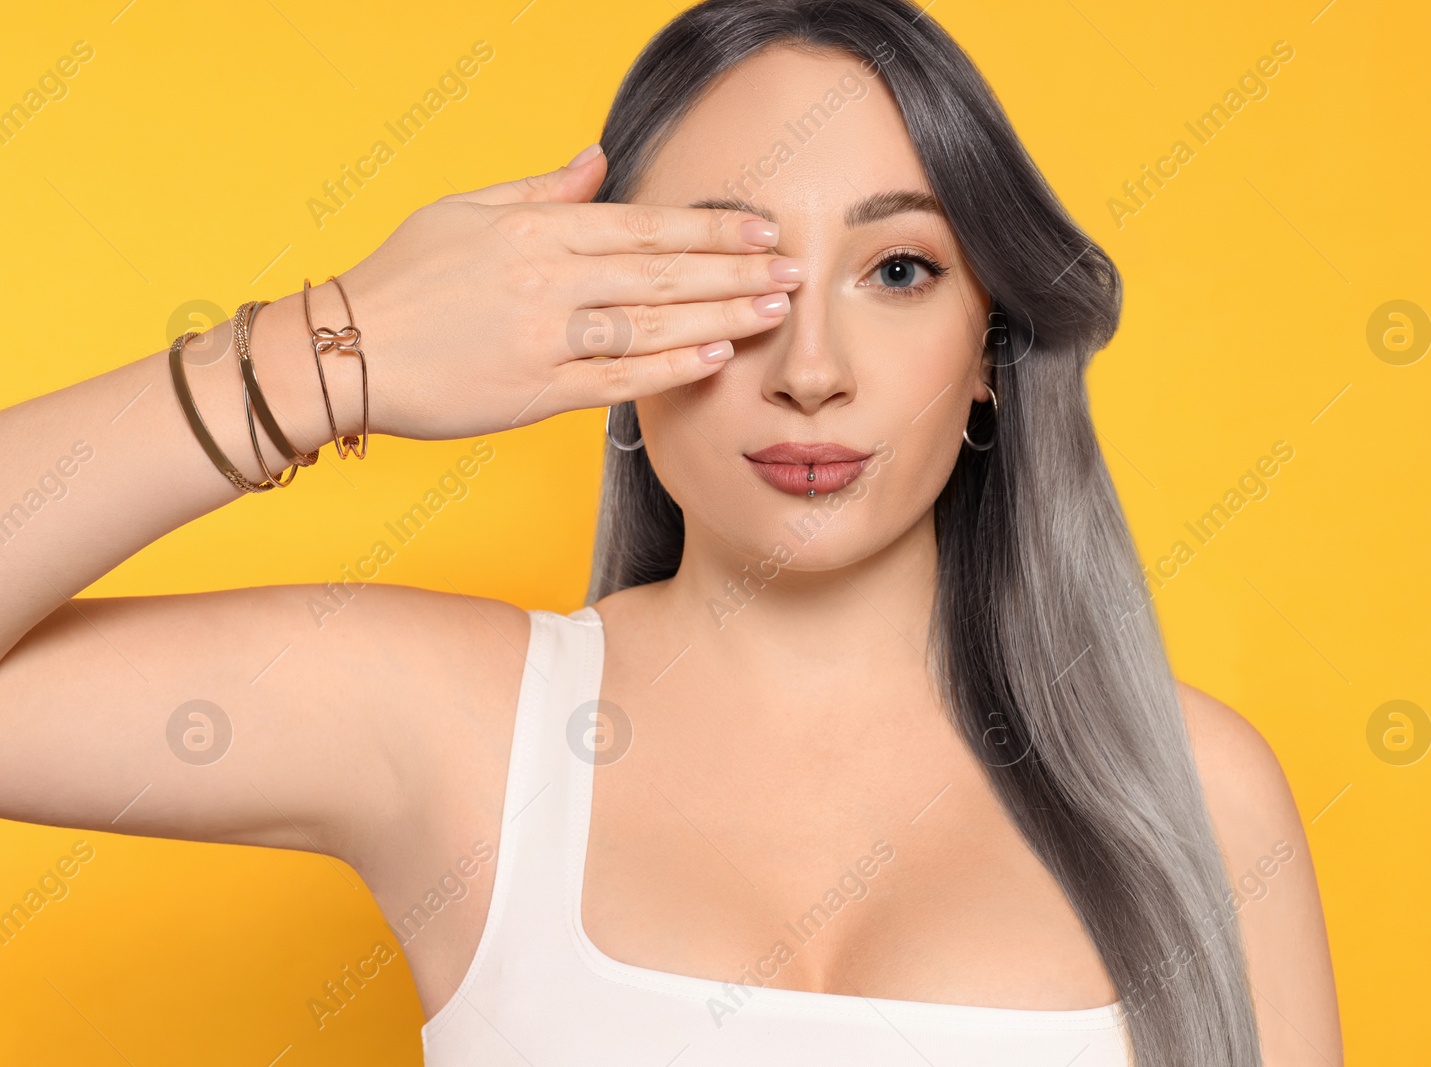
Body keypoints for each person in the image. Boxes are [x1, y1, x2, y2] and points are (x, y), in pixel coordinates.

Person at [0, 0, 1340, 1063]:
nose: (810, 367)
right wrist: (331, 353)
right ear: (613, 327)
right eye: (727, 270)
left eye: (899, 270)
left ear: (991, 346)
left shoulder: (1199, 793)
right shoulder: (457, 730)